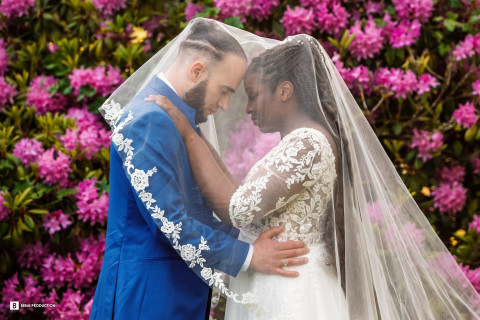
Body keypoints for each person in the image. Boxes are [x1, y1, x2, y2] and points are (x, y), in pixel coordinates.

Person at [149, 33, 480, 319]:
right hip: (273, 280)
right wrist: (195, 132)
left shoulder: (308, 143)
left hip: (289, 290)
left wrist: (189, 135)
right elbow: (242, 197)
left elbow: (238, 209)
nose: (248, 108)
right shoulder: (300, 141)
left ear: (284, 91)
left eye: (254, 95)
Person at [90, 19, 309, 320]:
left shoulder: (172, 119)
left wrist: (249, 241)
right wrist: (249, 255)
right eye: (224, 90)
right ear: (197, 71)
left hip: (167, 295)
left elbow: (195, 212)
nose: (224, 104)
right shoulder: (150, 119)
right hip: (146, 298)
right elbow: (171, 223)